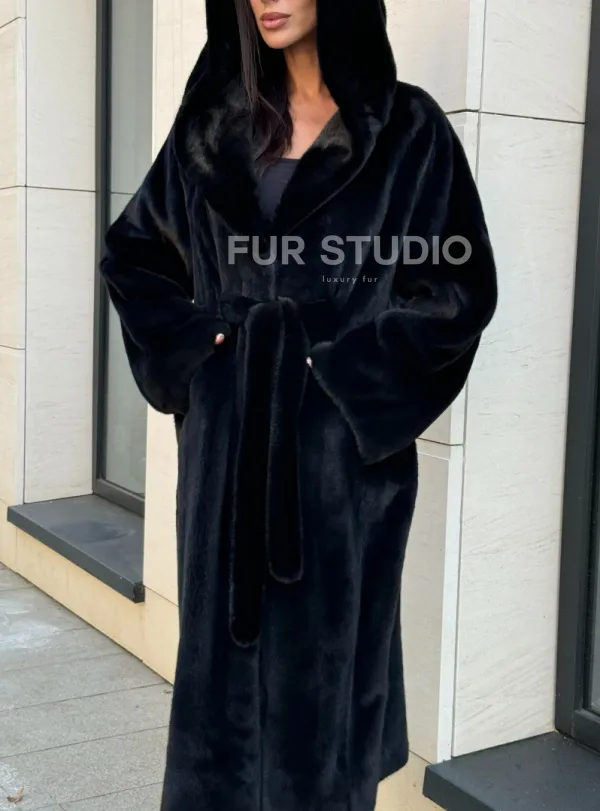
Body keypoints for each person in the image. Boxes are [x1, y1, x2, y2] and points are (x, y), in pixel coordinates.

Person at [99, 0, 498, 809]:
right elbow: (133, 253)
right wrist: (201, 356)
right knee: (221, 722)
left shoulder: (407, 131)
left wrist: (343, 382)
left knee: (324, 722)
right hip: (227, 464)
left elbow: (456, 289)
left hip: (340, 478)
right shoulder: (212, 128)